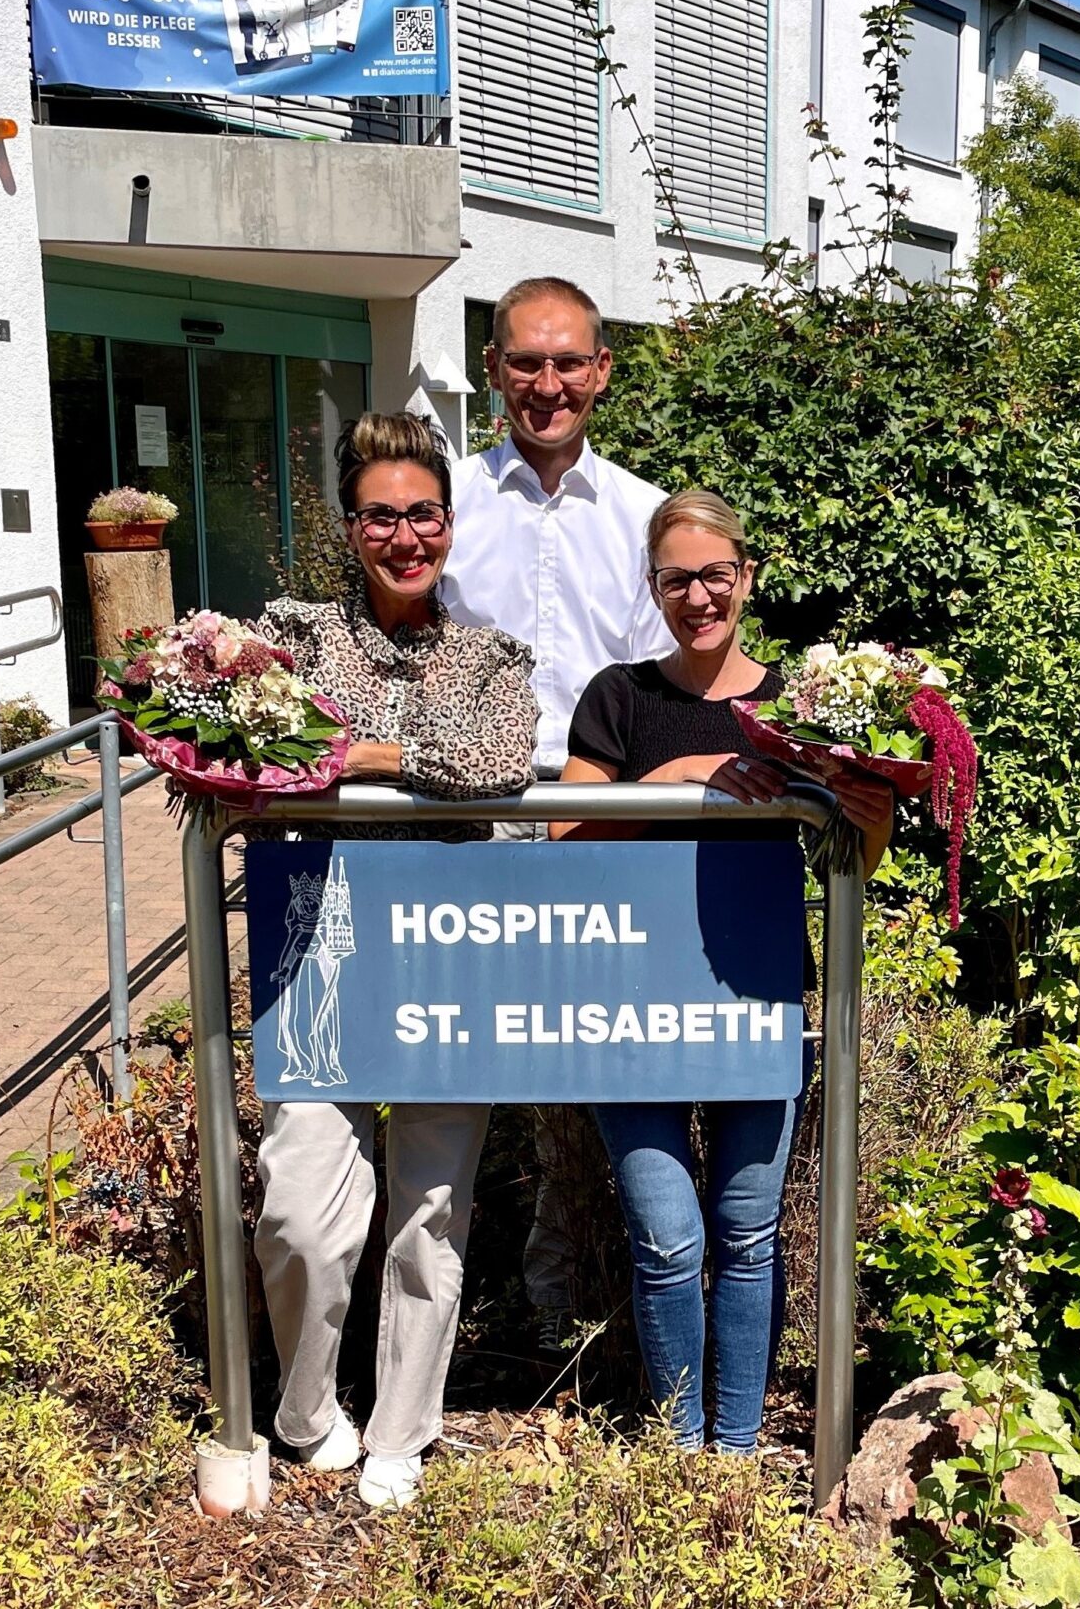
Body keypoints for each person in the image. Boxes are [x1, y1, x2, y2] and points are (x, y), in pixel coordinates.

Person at [550, 489, 892, 1454]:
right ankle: (677, 1452)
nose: (698, 595)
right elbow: (562, 834)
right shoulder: (619, 698)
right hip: (632, 1009)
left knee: (747, 1241)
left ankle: (733, 1451)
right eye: (676, 579)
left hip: (756, 998)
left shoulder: (803, 707)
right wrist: (667, 782)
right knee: (667, 1245)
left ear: (747, 575)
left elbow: (850, 864)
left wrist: (868, 810)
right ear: (652, 588)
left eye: (715, 574)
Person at [254, 411, 538, 1509]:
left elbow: (499, 756)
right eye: (384, 514)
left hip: (444, 957)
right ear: (351, 524)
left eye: (425, 512)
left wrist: (360, 755)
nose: (406, 534)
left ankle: (403, 1428)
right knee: (301, 1207)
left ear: (449, 523)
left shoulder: (486, 655)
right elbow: (245, 728)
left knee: (432, 1208)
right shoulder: (295, 635)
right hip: (318, 946)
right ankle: (306, 1407)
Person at [441, 275, 669, 1337]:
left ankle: (558, 1298)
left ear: (602, 372)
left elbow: (665, 677)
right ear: (493, 370)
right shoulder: (443, 503)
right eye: (525, 361)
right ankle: (460, 1280)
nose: (547, 383)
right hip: (461, 814)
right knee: (461, 1053)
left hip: (597, 817)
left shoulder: (641, 513)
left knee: (585, 1059)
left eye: (568, 361)